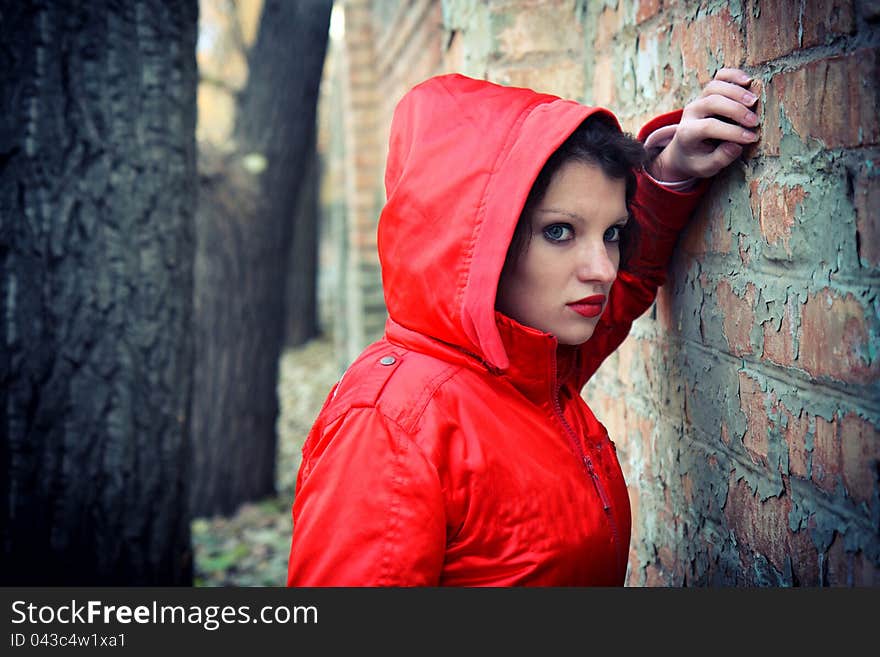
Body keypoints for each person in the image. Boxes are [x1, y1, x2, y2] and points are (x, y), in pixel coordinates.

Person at [287, 68, 759, 586]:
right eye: (559, 231)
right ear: (479, 240)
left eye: (612, 233)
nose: (601, 268)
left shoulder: (531, 366)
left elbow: (627, 284)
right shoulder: (390, 428)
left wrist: (671, 170)